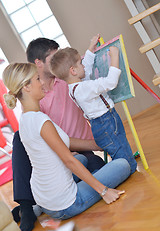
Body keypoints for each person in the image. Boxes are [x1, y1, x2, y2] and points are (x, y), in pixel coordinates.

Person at [3, 62, 131, 229]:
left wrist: (97, 145)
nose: (42, 83)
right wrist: (104, 191)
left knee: (83, 161)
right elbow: (69, 160)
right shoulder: (42, 121)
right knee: (123, 165)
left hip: (44, 197)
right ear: (26, 87)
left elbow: (65, 142)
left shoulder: (26, 119)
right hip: (66, 205)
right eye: (37, 79)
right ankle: (49, 205)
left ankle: (38, 208)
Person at [11, 35, 106, 231]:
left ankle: (37, 207)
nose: (59, 59)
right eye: (53, 57)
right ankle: (27, 207)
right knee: (19, 138)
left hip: (80, 151)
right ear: (38, 64)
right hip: (60, 156)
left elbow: (85, 64)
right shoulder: (35, 100)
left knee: (97, 169)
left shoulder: (67, 78)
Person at [50, 46, 137, 174]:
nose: (83, 66)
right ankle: (126, 171)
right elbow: (110, 82)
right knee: (122, 151)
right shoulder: (83, 89)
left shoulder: (75, 87)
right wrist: (114, 57)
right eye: (80, 63)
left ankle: (124, 165)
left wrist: (91, 48)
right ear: (73, 70)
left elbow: (87, 68)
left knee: (119, 147)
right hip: (106, 122)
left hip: (101, 123)